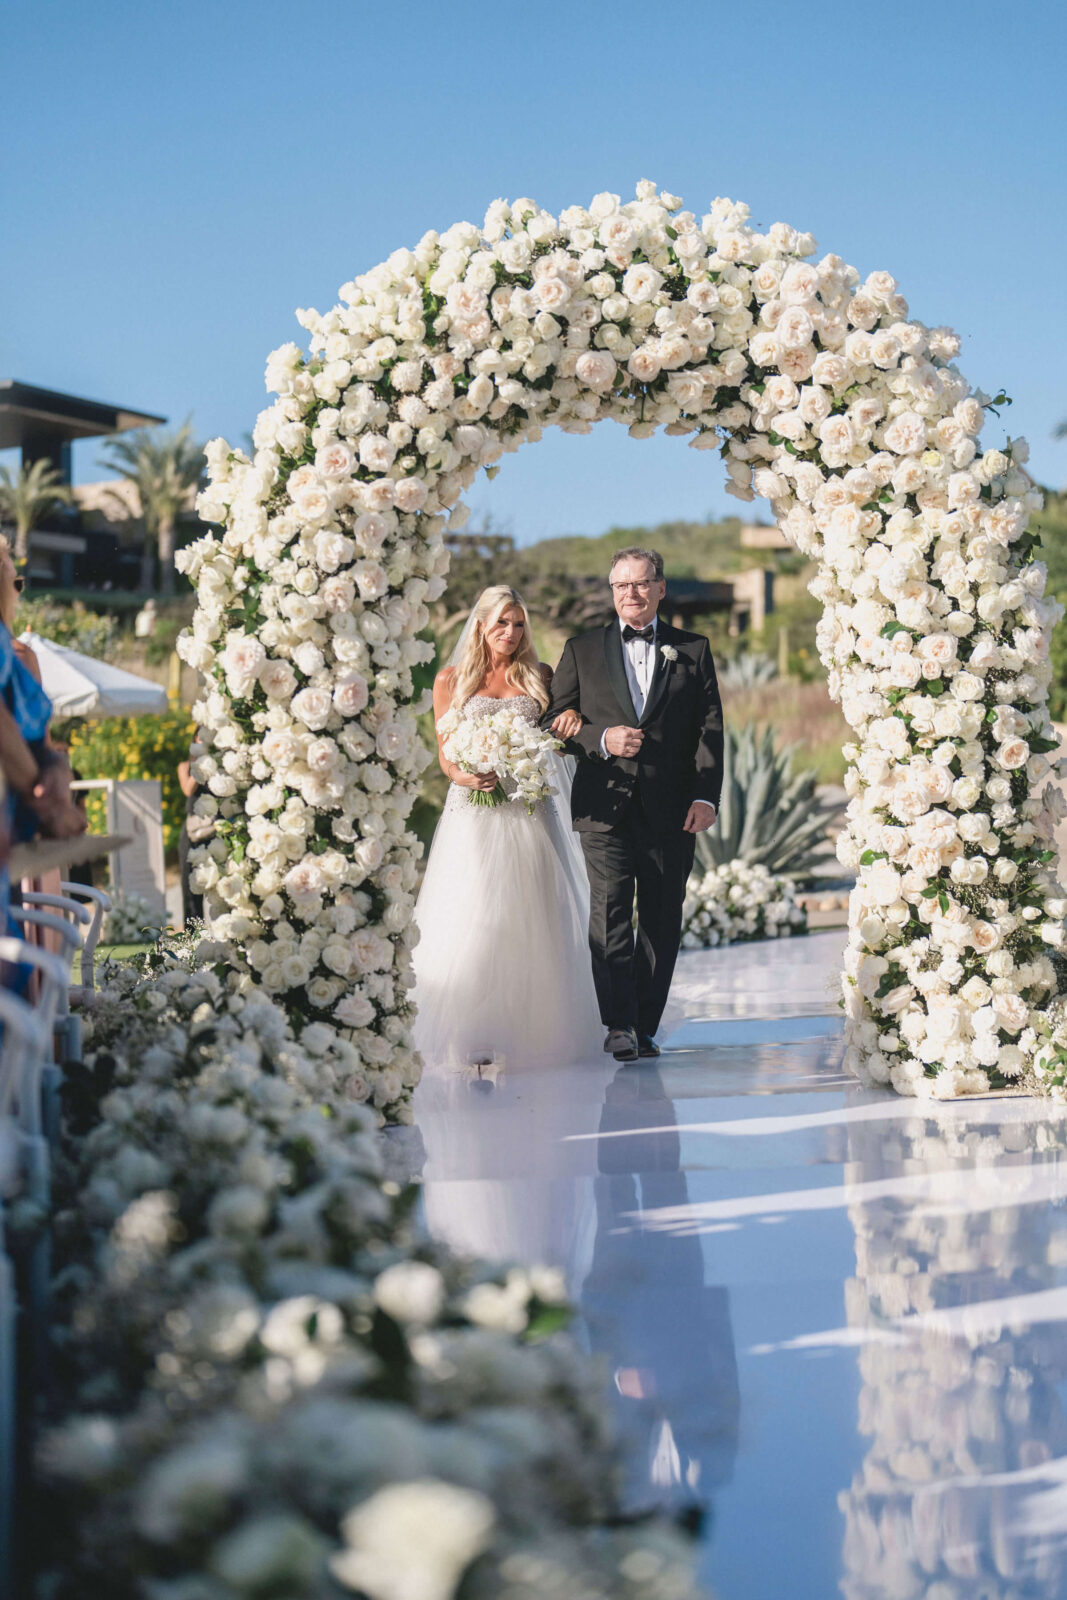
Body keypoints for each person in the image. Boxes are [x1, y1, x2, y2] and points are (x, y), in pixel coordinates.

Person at [412, 585, 602, 1076]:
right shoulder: (450, 680)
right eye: (502, 623)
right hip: (473, 815)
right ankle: (475, 1038)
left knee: (532, 918)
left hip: (528, 810)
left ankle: (533, 1034)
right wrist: (463, 774)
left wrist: (573, 716)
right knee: (477, 918)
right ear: (480, 624)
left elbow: (563, 723)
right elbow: (445, 752)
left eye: (518, 625)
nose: (511, 633)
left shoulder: (538, 675)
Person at [544, 548, 724, 1062]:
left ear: (661, 588)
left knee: (663, 920)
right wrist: (602, 739)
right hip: (606, 806)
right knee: (610, 915)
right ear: (612, 591)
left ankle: (645, 1025)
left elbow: (709, 729)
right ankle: (618, 1023)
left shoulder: (693, 649)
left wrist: (705, 796)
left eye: (641, 584)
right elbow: (555, 722)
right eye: (621, 586)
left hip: (674, 810)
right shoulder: (582, 650)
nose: (631, 594)